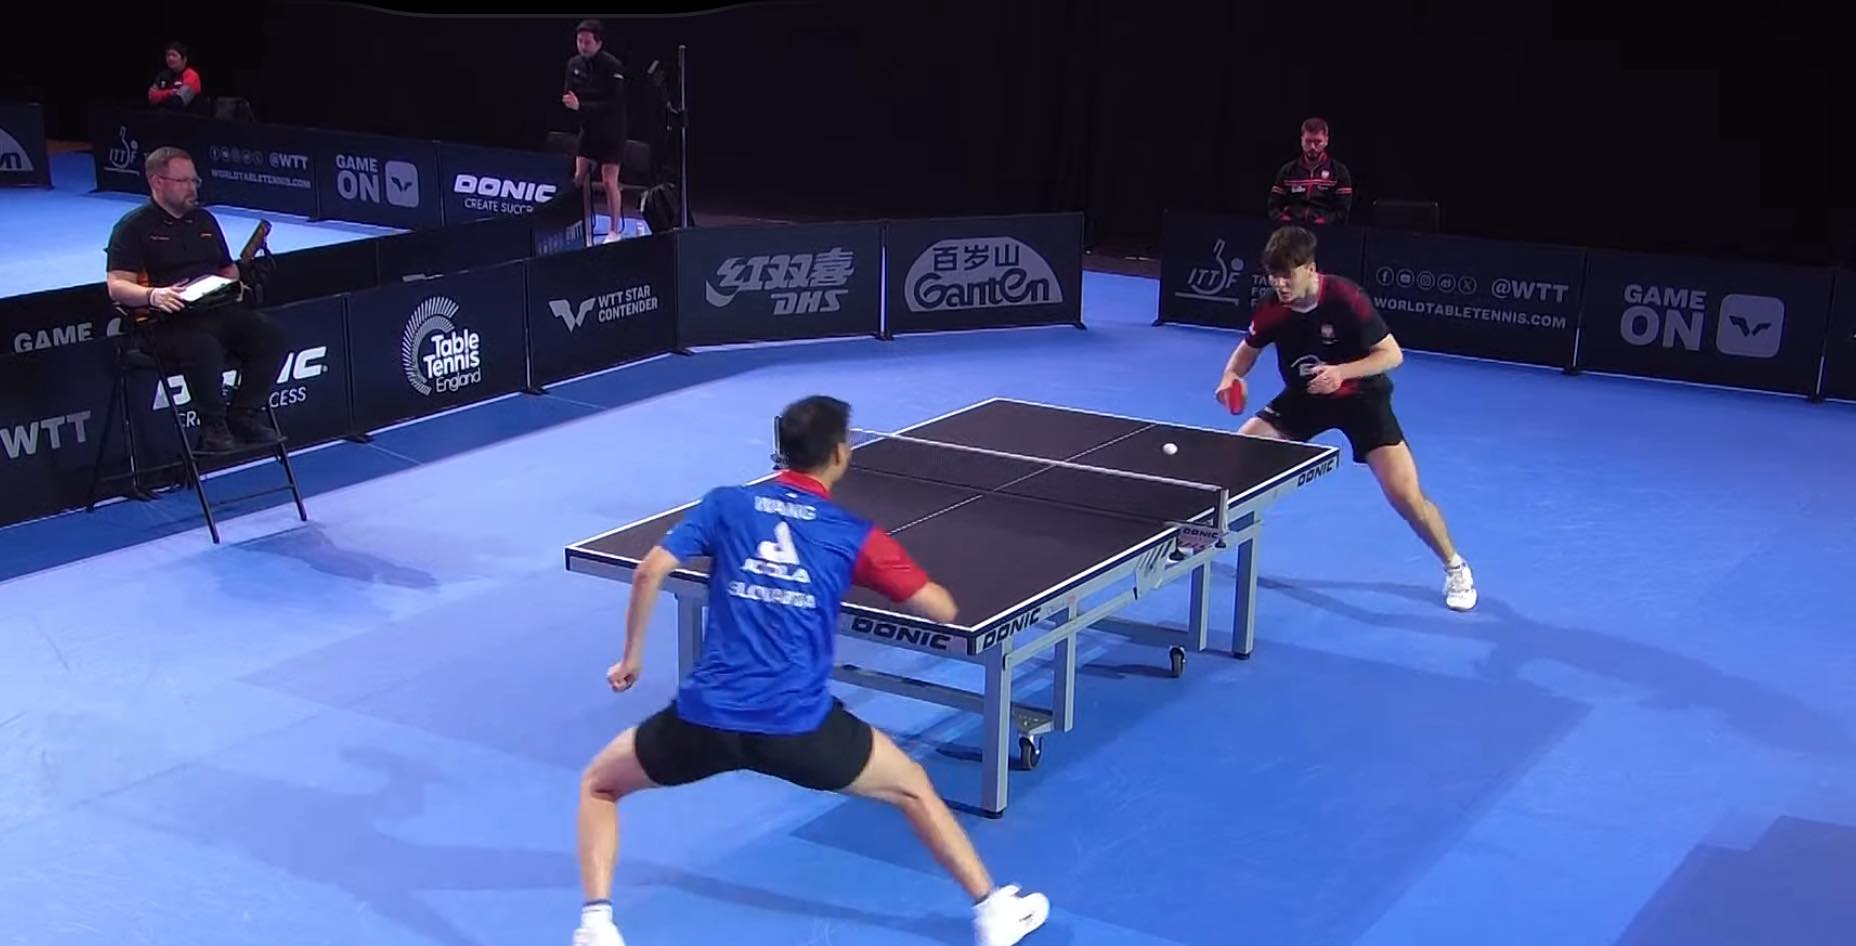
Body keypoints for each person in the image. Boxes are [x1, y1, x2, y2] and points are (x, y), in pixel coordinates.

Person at [571, 395, 1051, 946]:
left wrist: (632, 657)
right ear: (841, 453)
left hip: (705, 721)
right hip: (801, 729)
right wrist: (869, 574)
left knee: (599, 786)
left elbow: (649, 571)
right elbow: (941, 609)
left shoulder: (727, 504)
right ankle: (991, 912)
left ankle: (597, 926)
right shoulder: (853, 535)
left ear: (782, 450)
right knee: (914, 789)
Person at [1214, 226, 1476, 611]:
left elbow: (1392, 355)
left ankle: (1455, 566)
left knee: (1405, 496)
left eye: (1287, 275)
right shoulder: (1272, 307)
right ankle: (1199, 535)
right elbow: (1246, 352)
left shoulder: (1345, 297)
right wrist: (1230, 376)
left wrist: (1342, 372)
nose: (1279, 284)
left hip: (1362, 399)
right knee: (1238, 454)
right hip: (1306, 398)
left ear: (1311, 268)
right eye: (1273, 276)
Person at [104, 146, 288, 454]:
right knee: (202, 346)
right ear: (157, 182)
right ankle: (213, 427)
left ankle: (243, 415)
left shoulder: (204, 220)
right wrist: (153, 295)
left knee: (271, 335)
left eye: (194, 180)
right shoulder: (132, 228)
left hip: (215, 309)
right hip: (163, 321)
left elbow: (227, 268)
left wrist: (233, 283)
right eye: (184, 181)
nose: (192, 188)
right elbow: (117, 286)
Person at [563, 18, 628, 243]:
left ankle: (614, 231)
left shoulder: (613, 66)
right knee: (578, 177)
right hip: (589, 129)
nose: (582, 46)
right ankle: (572, 221)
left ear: (598, 43)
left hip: (611, 130)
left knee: (609, 181)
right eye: (579, 41)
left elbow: (614, 103)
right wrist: (573, 103)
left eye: (587, 42)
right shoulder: (573, 64)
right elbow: (569, 93)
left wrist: (582, 105)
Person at [1267, 117, 1354, 226]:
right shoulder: (1287, 170)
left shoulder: (1339, 171)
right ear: (1301, 140)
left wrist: (1323, 222)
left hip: (1326, 229)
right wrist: (1285, 220)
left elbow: (1342, 211)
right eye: (1308, 141)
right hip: (1291, 228)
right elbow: (1273, 207)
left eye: (1318, 142)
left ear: (1326, 141)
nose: (1312, 147)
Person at [148, 41, 204, 113]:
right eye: (168, 55)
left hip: (187, 116)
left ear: (184, 59)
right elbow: (152, 97)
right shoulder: (162, 75)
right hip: (163, 115)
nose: (170, 58)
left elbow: (179, 101)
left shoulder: (192, 75)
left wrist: (160, 95)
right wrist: (170, 92)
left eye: (174, 55)